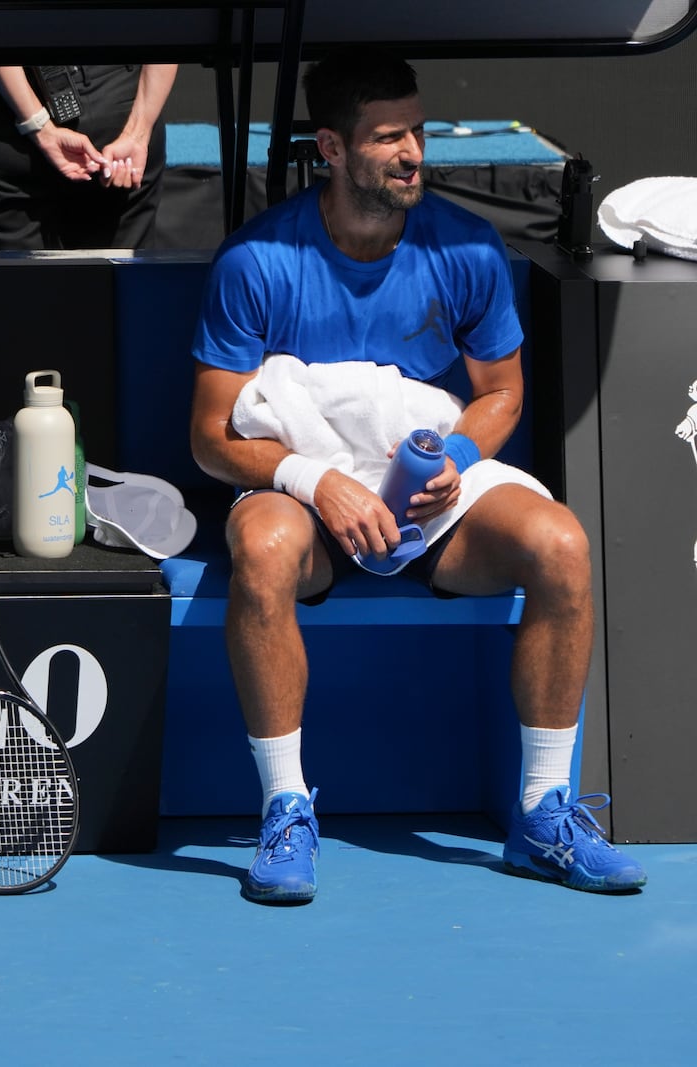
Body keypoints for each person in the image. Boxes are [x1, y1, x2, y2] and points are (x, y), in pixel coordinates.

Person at [188, 46, 646, 904]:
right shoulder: (255, 262)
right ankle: (286, 808)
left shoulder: (467, 248)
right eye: (390, 136)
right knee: (261, 543)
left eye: (419, 132)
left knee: (561, 543)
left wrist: (461, 459)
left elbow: (501, 393)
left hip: (438, 496)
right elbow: (212, 439)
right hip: (313, 495)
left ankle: (544, 812)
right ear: (331, 148)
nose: (413, 154)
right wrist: (315, 480)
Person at [0, 64, 178, 250]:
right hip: (120, 106)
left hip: (7, 110)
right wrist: (138, 130)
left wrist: (38, 125)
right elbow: (171, 21)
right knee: (121, 289)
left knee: (16, 294)